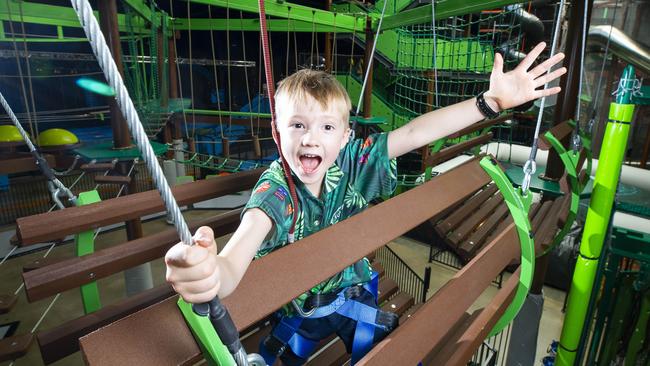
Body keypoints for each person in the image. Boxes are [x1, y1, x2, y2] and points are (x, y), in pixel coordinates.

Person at [165, 42, 566, 365]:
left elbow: (413, 133)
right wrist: (209, 272)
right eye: (298, 125)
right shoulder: (277, 193)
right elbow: (238, 254)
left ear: (343, 138)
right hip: (303, 317)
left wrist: (489, 103)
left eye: (325, 127)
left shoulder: (350, 166)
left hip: (358, 298)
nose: (310, 139)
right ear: (276, 132)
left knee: (399, 350)